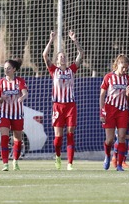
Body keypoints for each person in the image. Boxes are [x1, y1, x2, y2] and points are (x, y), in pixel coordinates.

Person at [43, 30, 84, 171]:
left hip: (70, 105)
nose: (62, 58)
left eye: (64, 56)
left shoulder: (72, 69)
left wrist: (75, 40)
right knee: (58, 136)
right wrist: (50, 40)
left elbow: (81, 55)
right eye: (60, 57)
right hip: (57, 106)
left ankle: (70, 163)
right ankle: (58, 156)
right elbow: (44, 55)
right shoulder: (53, 70)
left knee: (70, 132)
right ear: (57, 60)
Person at [0, 59, 28, 171]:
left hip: (17, 114)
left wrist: (22, 97)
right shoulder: (0, 83)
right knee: (4, 137)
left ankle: (15, 160)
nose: (6, 70)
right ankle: (5, 163)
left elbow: (25, 93)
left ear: (14, 69)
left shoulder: (19, 81)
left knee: (17, 139)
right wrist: (1, 99)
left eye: (9, 68)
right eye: (5, 68)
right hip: (4, 113)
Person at [100, 54, 129, 171]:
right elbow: (102, 95)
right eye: (123, 67)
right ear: (117, 64)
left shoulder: (127, 79)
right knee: (110, 139)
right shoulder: (108, 77)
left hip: (122, 110)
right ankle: (107, 155)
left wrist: (128, 95)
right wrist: (102, 112)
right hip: (110, 110)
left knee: (122, 136)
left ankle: (119, 164)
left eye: (126, 69)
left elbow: (128, 98)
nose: (124, 70)